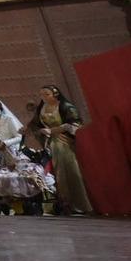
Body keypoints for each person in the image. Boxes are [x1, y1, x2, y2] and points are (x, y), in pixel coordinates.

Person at [25, 84, 93, 215]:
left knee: (71, 170)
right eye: (41, 95)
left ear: (55, 94)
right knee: (58, 173)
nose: (43, 97)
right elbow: (35, 124)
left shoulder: (65, 107)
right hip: (52, 143)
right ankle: (65, 203)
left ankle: (80, 203)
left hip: (66, 142)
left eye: (46, 94)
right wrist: (36, 130)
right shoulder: (42, 108)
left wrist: (54, 130)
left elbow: (75, 123)